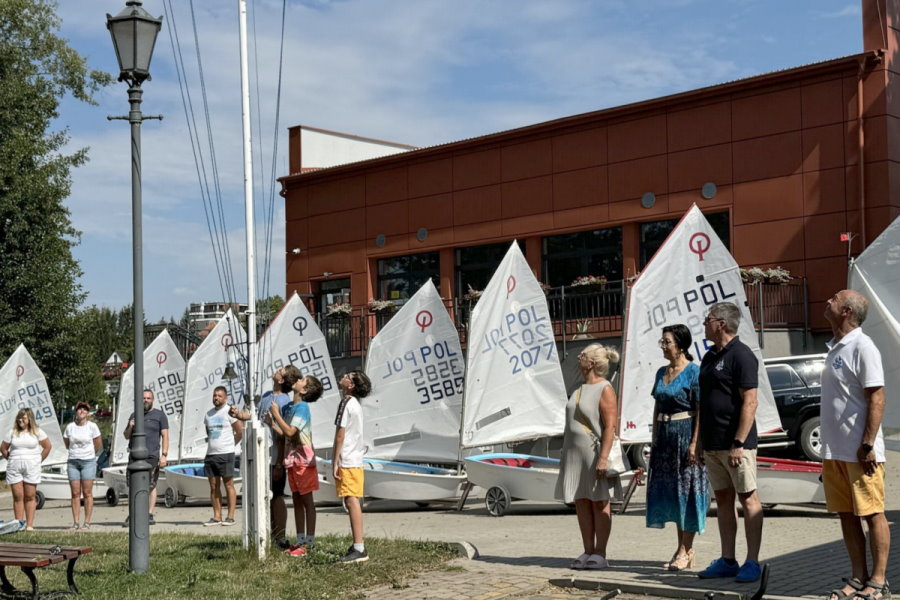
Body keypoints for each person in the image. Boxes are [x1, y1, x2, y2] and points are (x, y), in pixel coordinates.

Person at [820, 290, 890, 600]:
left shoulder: (863, 346)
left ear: (847, 311)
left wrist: (867, 444)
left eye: (834, 299)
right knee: (847, 515)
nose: (828, 301)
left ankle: (878, 581)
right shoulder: (836, 347)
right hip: (835, 451)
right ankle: (859, 576)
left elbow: (877, 395)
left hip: (860, 452)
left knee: (872, 513)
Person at [697, 302, 763, 582]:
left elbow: (750, 401)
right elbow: (703, 402)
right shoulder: (709, 356)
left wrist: (738, 441)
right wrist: (699, 442)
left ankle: (752, 561)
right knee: (723, 500)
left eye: (707, 319)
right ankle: (727, 559)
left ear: (721, 323)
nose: (704, 324)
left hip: (737, 444)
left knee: (748, 498)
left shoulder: (742, 355)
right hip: (712, 444)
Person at [646, 324, 708, 571]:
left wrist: (695, 442)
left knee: (688, 492)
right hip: (665, 439)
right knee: (673, 494)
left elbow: (700, 409)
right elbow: (657, 406)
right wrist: (654, 435)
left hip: (685, 437)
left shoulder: (694, 372)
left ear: (680, 345)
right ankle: (681, 547)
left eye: (667, 342)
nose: (663, 346)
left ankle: (687, 548)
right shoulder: (661, 372)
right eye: (662, 342)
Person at [555, 344, 620, 571]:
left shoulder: (605, 388)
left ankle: (600, 552)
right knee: (581, 500)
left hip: (594, 453)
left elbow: (610, 426)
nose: (578, 357)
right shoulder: (579, 388)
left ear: (591, 362)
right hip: (575, 454)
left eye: (582, 355)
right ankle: (587, 549)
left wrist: (603, 458)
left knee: (599, 500)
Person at [229, 365, 299, 547]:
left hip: (274, 454)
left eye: (281, 370)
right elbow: (253, 416)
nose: (277, 370)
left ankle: (280, 536)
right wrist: (238, 414)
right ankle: (268, 534)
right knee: (264, 496)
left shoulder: (284, 401)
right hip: (261, 453)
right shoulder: (267, 395)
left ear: (282, 380)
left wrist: (278, 462)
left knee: (276, 496)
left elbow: (283, 433)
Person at [269, 372, 324, 557]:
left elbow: (291, 432)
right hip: (292, 460)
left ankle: (309, 542)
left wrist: (276, 414)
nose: (298, 380)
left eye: (302, 380)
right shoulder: (291, 407)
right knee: (296, 500)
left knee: (307, 501)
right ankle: (300, 540)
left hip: (303, 461)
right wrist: (272, 423)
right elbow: (285, 433)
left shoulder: (302, 408)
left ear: (305, 389)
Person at [332, 370, 372, 563]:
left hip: (348, 458)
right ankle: (358, 544)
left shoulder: (346, 402)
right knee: (352, 499)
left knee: (351, 501)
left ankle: (359, 547)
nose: (344, 376)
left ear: (351, 386)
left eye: (348, 376)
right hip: (356, 458)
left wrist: (335, 460)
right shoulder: (356, 405)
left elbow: (340, 433)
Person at [123, 389, 169, 526]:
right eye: (143, 398)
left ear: (152, 400)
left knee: (150, 485)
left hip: (151, 455)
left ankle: (149, 513)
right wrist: (131, 426)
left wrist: (164, 455)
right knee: (133, 485)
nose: (146, 400)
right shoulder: (134, 415)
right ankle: (133, 514)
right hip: (135, 456)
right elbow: (126, 436)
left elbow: (165, 436)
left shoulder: (159, 415)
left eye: (148, 398)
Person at [1, 408, 51, 531]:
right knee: (18, 496)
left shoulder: (37, 432)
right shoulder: (12, 432)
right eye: (19, 417)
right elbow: (3, 448)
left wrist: (38, 460)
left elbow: (47, 446)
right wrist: (11, 459)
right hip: (15, 467)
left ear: (29, 419)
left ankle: (29, 525)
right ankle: (19, 524)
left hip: (32, 467)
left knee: (30, 496)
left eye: (23, 418)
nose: (20, 420)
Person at [204, 386, 243, 526]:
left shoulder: (229, 412)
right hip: (211, 454)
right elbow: (208, 433)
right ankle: (217, 516)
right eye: (215, 395)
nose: (216, 398)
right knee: (214, 486)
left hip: (226, 454)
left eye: (220, 396)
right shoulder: (208, 414)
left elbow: (239, 431)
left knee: (228, 484)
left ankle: (230, 516)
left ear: (225, 398)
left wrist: (231, 446)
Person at [63, 401, 102, 531]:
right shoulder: (70, 427)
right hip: (73, 461)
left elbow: (97, 444)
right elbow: (67, 443)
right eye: (80, 409)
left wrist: (89, 454)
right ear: (76, 411)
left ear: (87, 413)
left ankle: (87, 522)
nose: (82, 411)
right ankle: (75, 522)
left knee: (87, 492)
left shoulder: (92, 426)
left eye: (84, 410)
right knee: (75, 493)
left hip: (88, 461)